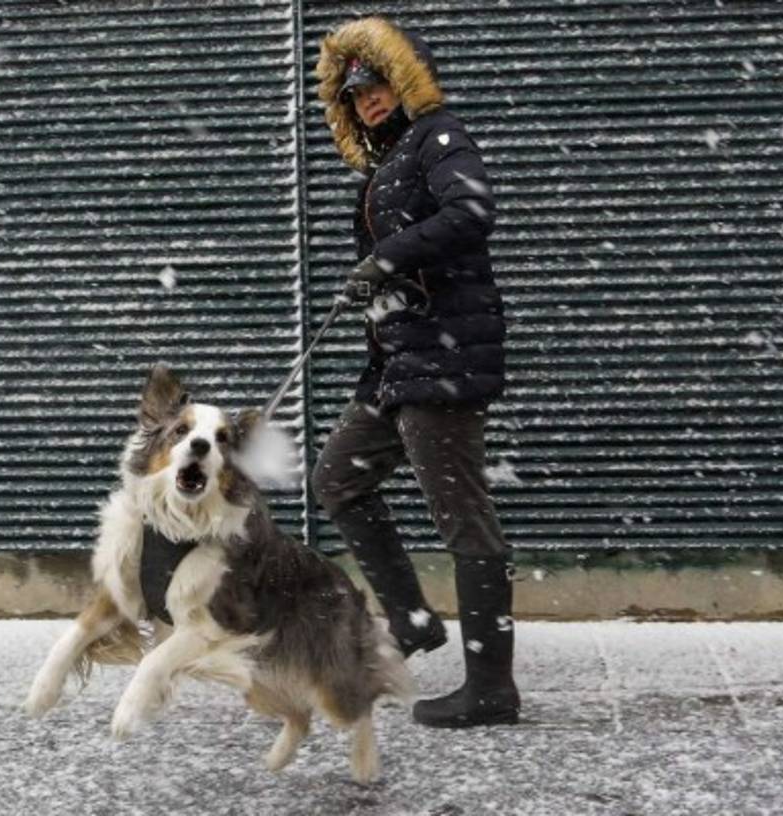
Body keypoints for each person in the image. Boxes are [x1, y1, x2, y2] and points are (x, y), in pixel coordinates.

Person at [311, 16, 519, 729]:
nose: (367, 100)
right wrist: (376, 292)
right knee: (338, 479)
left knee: (464, 520)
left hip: (447, 358)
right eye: (354, 93)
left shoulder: (438, 136)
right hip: (399, 364)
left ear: (405, 81)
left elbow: (471, 210)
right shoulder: (385, 165)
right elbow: (406, 264)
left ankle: (492, 685)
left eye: (376, 85)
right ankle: (411, 617)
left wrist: (387, 259)